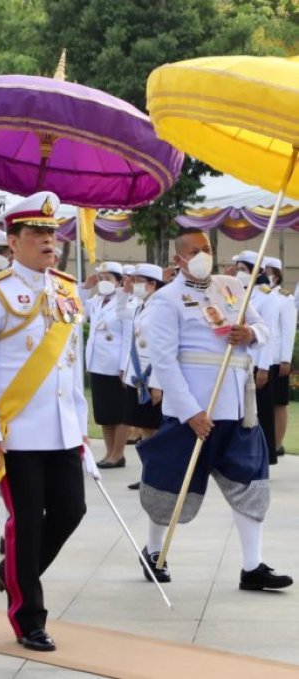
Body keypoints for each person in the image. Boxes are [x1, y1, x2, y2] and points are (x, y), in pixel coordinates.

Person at [0, 192, 96, 652]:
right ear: (13, 241)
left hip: (59, 428)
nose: (49, 242)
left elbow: (69, 367)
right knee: (28, 522)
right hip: (15, 432)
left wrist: (80, 428)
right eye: (38, 234)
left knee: (71, 511)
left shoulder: (65, 289)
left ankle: (12, 572)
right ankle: (29, 619)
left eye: (52, 233)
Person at [137, 230, 292, 591]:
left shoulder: (232, 288)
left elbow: (264, 327)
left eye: (206, 248)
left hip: (238, 411)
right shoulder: (165, 300)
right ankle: (154, 552)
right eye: (194, 251)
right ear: (178, 260)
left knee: (250, 484)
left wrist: (250, 334)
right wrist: (190, 411)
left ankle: (252, 567)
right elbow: (164, 361)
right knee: (169, 485)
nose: (203, 255)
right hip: (192, 413)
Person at [119, 264, 165, 490]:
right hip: (136, 376)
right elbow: (121, 313)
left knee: (154, 429)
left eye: (137, 281)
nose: (133, 285)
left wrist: (157, 383)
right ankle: (149, 473)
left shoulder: (161, 308)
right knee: (145, 429)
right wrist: (123, 292)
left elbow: (162, 347)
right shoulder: (140, 306)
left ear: (152, 284)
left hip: (150, 378)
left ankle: (157, 475)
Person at [232, 250, 280, 465]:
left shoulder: (266, 296)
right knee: (246, 414)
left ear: (256, 271)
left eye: (243, 269)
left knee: (261, 414)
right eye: (238, 269)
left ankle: (266, 455)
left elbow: (268, 333)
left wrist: (264, 368)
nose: (238, 273)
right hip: (242, 362)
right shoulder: (241, 293)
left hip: (258, 363)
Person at [83, 261, 129, 468]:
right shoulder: (95, 301)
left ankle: (118, 453)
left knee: (119, 412)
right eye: (101, 278)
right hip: (97, 363)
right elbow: (78, 312)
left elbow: (128, 336)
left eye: (108, 278)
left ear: (119, 281)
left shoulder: (125, 301)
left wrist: (124, 365)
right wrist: (86, 287)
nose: (103, 282)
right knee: (103, 413)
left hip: (115, 365)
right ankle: (109, 453)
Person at [263, 257, 296, 457]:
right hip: (260, 360)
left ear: (276, 274)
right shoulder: (257, 296)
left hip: (276, 359)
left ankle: (277, 443)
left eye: (268, 271)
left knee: (279, 403)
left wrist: (286, 358)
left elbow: (288, 331)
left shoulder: (285, 298)